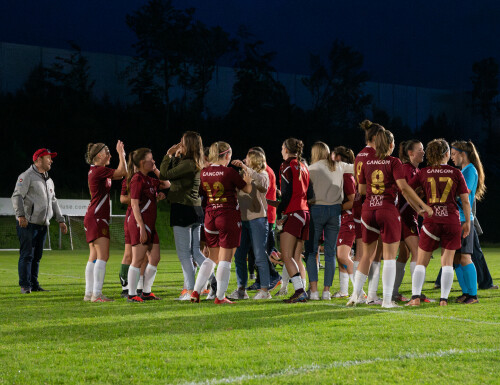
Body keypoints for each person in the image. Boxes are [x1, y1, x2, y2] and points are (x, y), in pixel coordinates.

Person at [348, 121, 432, 308]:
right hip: (387, 210)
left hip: (368, 210)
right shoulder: (394, 162)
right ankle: (386, 300)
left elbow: (361, 188)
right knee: (389, 257)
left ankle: (355, 295)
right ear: (392, 145)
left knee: (367, 255)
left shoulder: (367, 161)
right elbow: (403, 188)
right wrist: (422, 206)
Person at [405, 139, 471, 306]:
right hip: (451, 220)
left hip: (432, 219)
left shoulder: (423, 172)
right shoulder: (456, 173)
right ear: (447, 154)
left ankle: (415, 299)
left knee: (421, 261)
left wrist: (419, 207)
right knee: (447, 262)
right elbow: (465, 201)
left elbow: (406, 190)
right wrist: (468, 222)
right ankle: (443, 300)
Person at [190, 141, 252, 304]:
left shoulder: (204, 172)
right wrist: (248, 179)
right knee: (225, 259)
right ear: (227, 155)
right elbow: (247, 189)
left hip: (210, 216)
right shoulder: (229, 172)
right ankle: (220, 297)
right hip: (227, 216)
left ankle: (195, 292)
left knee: (212, 257)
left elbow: (201, 193)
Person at [12, 148, 68, 293]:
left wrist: (60, 219)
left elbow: (53, 201)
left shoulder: (49, 179)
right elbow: (17, 196)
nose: (51, 160)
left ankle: (34, 284)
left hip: (43, 225)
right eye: (48, 157)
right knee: (27, 255)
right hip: (28, 224)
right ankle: (25, 285)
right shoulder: (26, 176)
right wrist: (21, 216)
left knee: (36, 257)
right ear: (38, 160)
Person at [159, 131, 207, 301]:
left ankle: (189, 291)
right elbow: (175, 174)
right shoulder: (191, 162)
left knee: (185, 255)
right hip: (193, 210)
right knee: (195, 252)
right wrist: (176, 157)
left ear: (190, 144)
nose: (179, 144)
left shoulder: (189, 163)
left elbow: (165, 175)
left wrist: (168, 155)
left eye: (182, 142)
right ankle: (212, 284)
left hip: (183, 209)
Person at [305, 142, 354, 300]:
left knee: (312, 252)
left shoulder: (310, 169)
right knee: (331, 253)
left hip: (317, 210)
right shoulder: (338, 166)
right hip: (335, 211)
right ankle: (326, 291)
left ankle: (313, 291)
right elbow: (358, 167)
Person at [83, 141, 127, 302]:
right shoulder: (99, 170)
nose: (110, 155)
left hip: (93, 216)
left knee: (93, 255)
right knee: (103, 255)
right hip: (97, 217)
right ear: (99, 155)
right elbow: (122, 172)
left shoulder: (95, 170)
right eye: (107, 152)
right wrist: (121, 154)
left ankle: (89, 294)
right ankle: (97, 294)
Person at [126, 148, 170, 302]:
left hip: (150, 224)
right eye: (151, 160)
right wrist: (141, 227)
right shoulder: (137, 179)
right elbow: (135, 205)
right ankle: (132, 294)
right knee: (137, 260)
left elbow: (166, 183)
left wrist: (156, 169)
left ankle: (146, 291)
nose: (153, 162)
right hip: (141, 224)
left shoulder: (150, 179)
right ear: (142, 163)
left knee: (155, 258)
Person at [230, 149, 272, 300]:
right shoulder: (244, 175)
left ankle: (265, 290)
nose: (244, 160)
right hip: (243, 220)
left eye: (247, 158)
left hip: (258, 219)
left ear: (254, 159)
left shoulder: (263, 174)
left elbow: (263, 185)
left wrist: (244, 168)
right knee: (240, 256)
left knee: (260, 255)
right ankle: (241, 289)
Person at [449, 140, 485, 304]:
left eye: (454, 154)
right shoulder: (462, 171)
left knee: (465, 257)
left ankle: (473, 295)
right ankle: (465, 292)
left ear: (463, 154)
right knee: (456, 258)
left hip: (464, 220)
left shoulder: (470, 171)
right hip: (456, 219)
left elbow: (465, 193)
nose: (451, 158)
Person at [276, 138, 312, 303]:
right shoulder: (303, 165)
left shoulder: (285, 166)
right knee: (297, 256)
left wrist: (279, 213)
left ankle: (299, 290)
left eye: (282, 147)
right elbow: (310, 194)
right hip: (305, 213)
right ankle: (302, 289)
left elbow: (286, 192)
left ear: (285, 149)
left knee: (286, 255)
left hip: (293, 212)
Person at [392, 140, 425, 301]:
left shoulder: (414, 169)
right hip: (405, 215)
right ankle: (416, 293)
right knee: (418, 253)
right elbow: (405, 192)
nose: (423, 152)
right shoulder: (406, 169)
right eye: (420, 149)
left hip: (407, 215)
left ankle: (393, 292)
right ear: (410, 153)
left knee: (404, 255)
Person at [332, 146, 357, 298]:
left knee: (342, 256)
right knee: (340, 256)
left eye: (334, 156)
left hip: (349, 218)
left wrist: (335, 207)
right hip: (345, 218)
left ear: (340, 158)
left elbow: (353, 201)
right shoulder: (344, 174)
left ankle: (359, 291)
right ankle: (343, 291)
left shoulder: (346, 175)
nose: (331, 159)